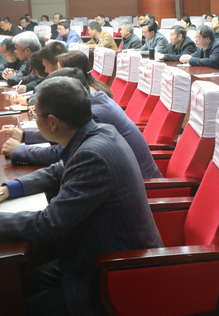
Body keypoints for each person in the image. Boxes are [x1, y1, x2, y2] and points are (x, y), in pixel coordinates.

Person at [0, 77, 162, 315]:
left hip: (114, 272)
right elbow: (59, 170)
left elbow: (48, 224)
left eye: (36, 115)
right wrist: (10, 188)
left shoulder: (93, 155)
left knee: (17, 304)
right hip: (92, 251)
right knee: (26, 281)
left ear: (52, 122)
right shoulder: (96, 132)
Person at [2, 67, 162, 179]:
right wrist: (24, 135)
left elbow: (63, 152)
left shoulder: (95, 114)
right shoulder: (96, 99)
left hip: (146, 187)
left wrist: (19, 151)